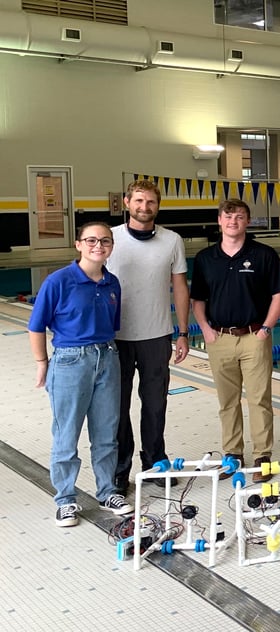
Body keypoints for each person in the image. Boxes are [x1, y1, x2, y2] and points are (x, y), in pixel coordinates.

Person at [29, 222, 133, 526]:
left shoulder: (112, 283)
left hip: (108, 357)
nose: (98, 246)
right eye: (91, 240)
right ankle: (65, 499)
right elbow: (36, 326)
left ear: (111, 246)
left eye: (104, 241)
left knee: (106, 433)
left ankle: (107, 491)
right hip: (70, 361)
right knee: (66, 434)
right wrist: (41, 363)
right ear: (78, 244)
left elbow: (112, 325)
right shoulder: (58, 281)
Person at [190, 199, 280, 483]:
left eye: (240, 217)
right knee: (227, 401)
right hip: (219, 337)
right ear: (219, 221)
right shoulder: (206, 258)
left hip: (254, 336)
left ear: (248, 222)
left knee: (259, 399)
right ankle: (232, 454)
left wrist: (266, 329)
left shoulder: (263, 254)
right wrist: (205, 329)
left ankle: (262, 456)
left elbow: (278, 296)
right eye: (228, 216)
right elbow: (198, 300)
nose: (233, 221)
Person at [105, 179, 189, 493]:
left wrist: (183, 333)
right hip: (117, 337)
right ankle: (119, 469)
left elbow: (180, 287)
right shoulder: (109, 239)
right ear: (126, 202)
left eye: (150, 202)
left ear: (158, 205)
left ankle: (155, 464)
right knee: (117, 406)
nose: (144, 207)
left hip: (157, 336)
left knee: (155, 405)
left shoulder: (172, 240)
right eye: (138, 201)